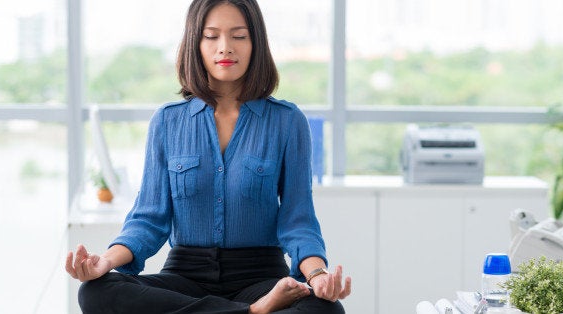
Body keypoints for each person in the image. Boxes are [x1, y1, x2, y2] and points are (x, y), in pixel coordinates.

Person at [64, 0, 351, 313]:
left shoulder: (287, 121)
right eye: (211, 36)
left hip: (262, 276)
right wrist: (104, 262)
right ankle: (254, 312)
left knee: (327, 309)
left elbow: (298, 220)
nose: (225, 48)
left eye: (239, 36)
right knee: (96, 291)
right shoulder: (167, 121)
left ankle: (250, 306)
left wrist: (318, 275)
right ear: (195, 44)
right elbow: (148, 219)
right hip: (186, 275)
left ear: (256, 43)